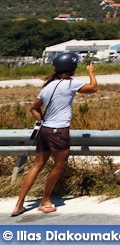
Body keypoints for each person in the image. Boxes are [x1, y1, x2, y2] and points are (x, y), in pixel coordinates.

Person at [11, 53, 98, 217]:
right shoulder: (70, 83)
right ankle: (45, 200)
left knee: (37, 166)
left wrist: (42, 121)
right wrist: (91, 73)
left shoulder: (47, 87)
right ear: (71, 69)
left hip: (45, 130)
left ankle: (19, 205)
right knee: (60, 164)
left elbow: (33, 109)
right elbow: (93, 88)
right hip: (59, 131)